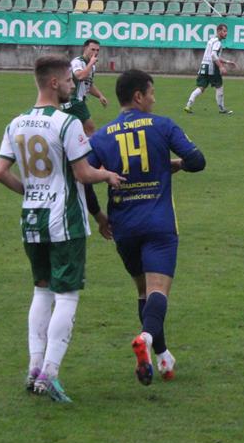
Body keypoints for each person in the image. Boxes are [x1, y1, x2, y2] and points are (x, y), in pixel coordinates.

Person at [0, 56, 124, 403]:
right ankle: (49, 373)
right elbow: (83, 173)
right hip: (64, 218)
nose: (71, 85)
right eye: (68, 80)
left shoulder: (16, 123)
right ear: (54, 82)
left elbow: (0, 172)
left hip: (31, 218)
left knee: (42, 291)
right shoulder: (67, 123)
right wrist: (107, 175)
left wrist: (30, 192)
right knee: (66, 295)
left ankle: (34, 369)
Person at [87, 69, 206, 384]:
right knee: (158, 290)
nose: (154, 99)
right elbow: (198, 161)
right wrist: (174, 164)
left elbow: (82, 176)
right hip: (158, 223)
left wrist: (98, 215)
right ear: (138, 96)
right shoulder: (163, 125)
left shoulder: (101, 136)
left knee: (143, 291)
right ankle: (146, 338)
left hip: (123, 225)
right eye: (151, 93)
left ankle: (163, 357)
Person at [184, 24, 237, 115]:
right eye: (224, 31)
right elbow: (213, 55)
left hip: (204, 66)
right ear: (219, 31)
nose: (226, 33)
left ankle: (188, 105)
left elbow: (215, 56)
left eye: (226, 31)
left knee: (201, 88)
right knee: (219, 86)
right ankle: (221, 109)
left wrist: (227, 62)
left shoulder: (211, 41)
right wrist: (220, 66)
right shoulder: (218, 43)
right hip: (212, 67)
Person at [64, 39, 109, 136]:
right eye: (93, 49)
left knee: (75, 130)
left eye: (97, 50)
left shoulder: (91, 66)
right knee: (90, 129)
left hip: (77, 102)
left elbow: (88, 84)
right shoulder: (77, 62)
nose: (95, 52)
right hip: (74, 101)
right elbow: (80, 76)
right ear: (85, 48)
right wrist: (91, 63)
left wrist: (100, 96)